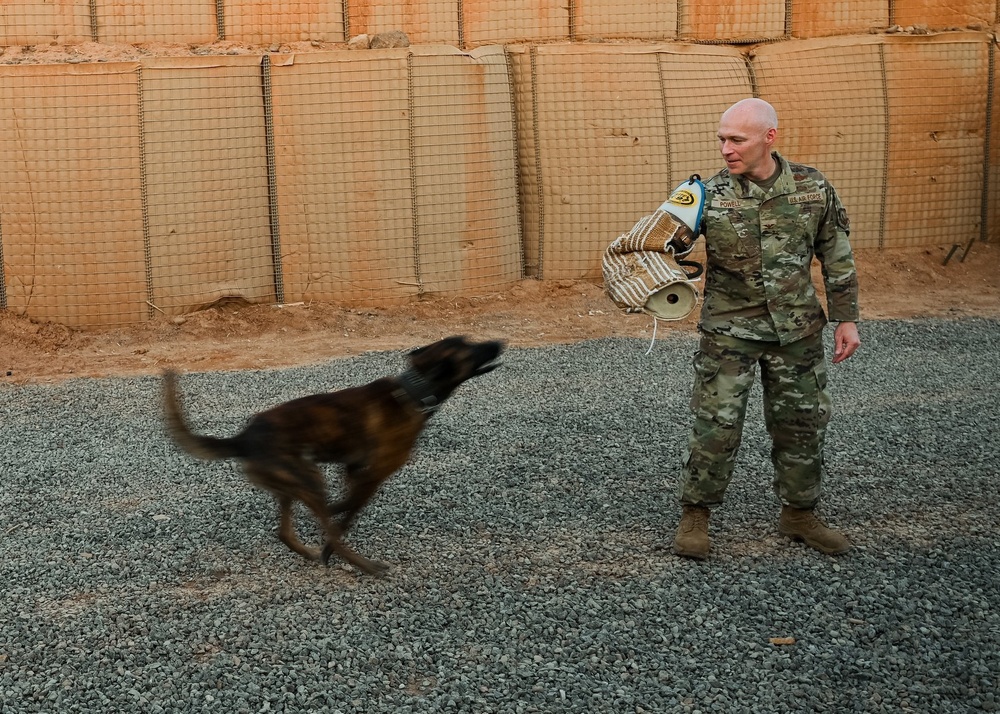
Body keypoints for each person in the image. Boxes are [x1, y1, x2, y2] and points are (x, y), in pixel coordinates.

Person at [672, 97, 861, 560]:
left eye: (737, 139)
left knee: (802, 425)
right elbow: (657, 245)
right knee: (716, 427)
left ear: (769, 138)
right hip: (729, 332)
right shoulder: (705, 194)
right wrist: (660, 264)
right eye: (722, 139)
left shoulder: (812, 187)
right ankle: (696, 514)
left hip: (796, 331)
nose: (726, 149)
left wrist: (846, 318)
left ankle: (799, 514)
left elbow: (835, 254)